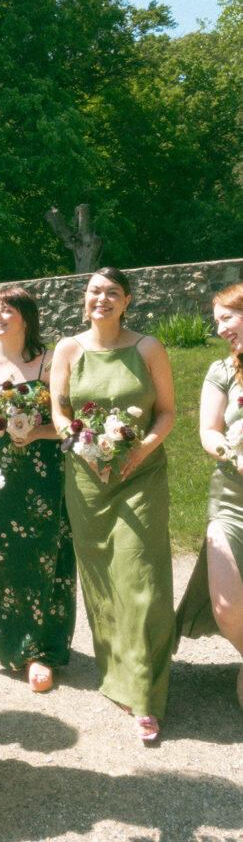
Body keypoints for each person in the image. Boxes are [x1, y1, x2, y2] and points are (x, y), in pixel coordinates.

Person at [50, 268, 175, 742]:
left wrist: (140, 449)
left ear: (126, 301)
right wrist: (82, 446)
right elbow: (60, 409)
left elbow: (166, 411)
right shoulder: (68, 348)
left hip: (139, 474)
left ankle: (146, 694)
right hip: (85, 478)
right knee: (103, 576)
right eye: (94, 292)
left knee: (142, 577)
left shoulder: (148, 348)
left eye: (112, 294)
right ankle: (119, 674)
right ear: (84, 299)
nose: (101, 299)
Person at [0, 289, 76, 692]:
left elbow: (68, 421)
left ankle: (45, 650)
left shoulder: (47, 362)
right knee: (1, 557)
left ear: (26, 317)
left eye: (7, 308)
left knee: (49, 556)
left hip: (43, 473)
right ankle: (13, 646)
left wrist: (36, 432)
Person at [176, 283, 243, 707]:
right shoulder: (221, 370)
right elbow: (208, 431)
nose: (219, 329)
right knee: (225, 604)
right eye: (216, 320)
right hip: (232, 499)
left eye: (227, 318)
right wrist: (230, 449)